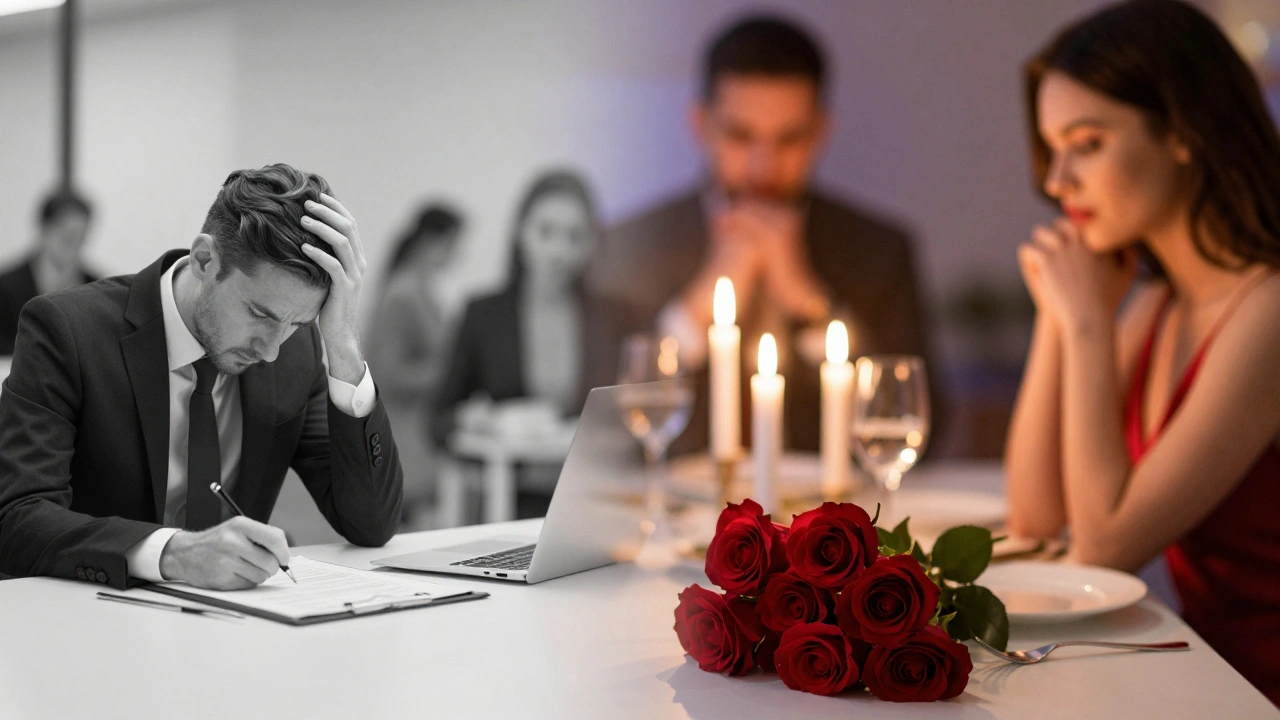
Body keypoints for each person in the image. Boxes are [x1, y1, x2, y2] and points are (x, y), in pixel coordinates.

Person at [1004, 0, 1280, 704]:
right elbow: (1035, 520)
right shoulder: (1161, 304)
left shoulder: (1268, 312)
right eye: (1052, 148)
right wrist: (1059, 319)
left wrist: (1086, 322)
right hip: (1206, 675)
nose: (1056, 182)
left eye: (1087, 143)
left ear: (1183, 133)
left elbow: (1104, 547)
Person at [0, 164, 403, 590]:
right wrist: (173, 554)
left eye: (297, 323)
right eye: (260, 314)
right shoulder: (69, 329)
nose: (270, 351)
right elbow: (16, 517)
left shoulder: (295, 352)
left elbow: (371, 524)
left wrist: (343, 344)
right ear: (204, 260)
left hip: (238, 618)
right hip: (90, 612)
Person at [589, 14, 938, 455]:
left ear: (821, 132)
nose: (763, 168)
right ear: (701, 125)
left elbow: (923, 431)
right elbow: (592, 433)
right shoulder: (628, 247)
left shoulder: (879, 251)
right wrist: (695, 311)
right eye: (740, 136)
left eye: (789, 139)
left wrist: (811, 305)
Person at [434, 170, 632, 518]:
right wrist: (473, 419)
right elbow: (438, 419)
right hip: (505, 500)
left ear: (591, 243)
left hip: (594, 496)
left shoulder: (613, 317)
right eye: (546, 232)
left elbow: (629, 410)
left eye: (575, 236)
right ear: (520, 232)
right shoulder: (483, 314)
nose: (559, 251)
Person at [365, 203, 464, 522]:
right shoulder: (403, 295)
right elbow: (385, 372)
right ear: (433, 242)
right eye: (454, 245)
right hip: (404, 432)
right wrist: (448, 374)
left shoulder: (421, 291)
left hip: (419, 430)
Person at [0, 189, 99, 355]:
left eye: (80, 236)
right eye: (66, 234)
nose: (72, 243)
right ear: (44, 229)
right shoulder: (6, 286)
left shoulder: (96, 287)